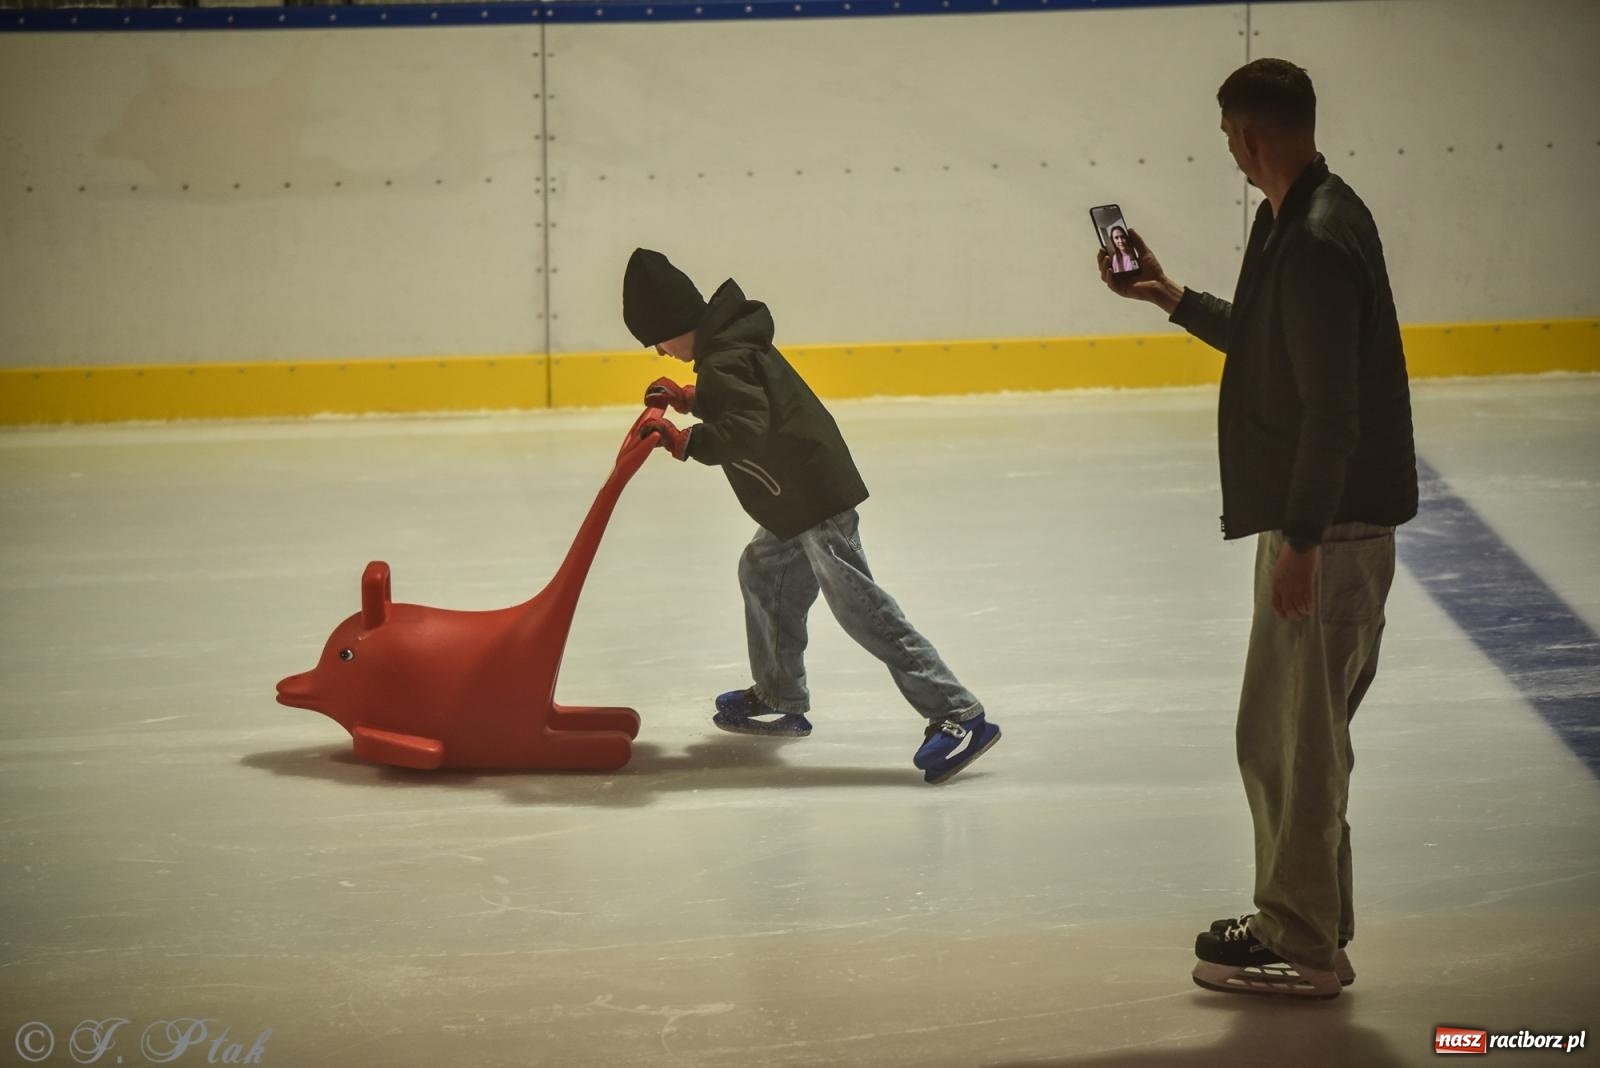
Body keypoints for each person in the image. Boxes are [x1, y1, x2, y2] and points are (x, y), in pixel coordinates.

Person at [1097, 59, 1418, 998]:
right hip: (1318, 522)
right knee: (1286, 736)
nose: (1230, 153)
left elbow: (1333, 409)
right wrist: (1170, 297)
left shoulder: (1316, 235)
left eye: (1231, 136)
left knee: (1298, 742)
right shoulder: (1302, 217)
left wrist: (1305, 543)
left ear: (1250, 133)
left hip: (1330, 529)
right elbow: (1274, 346)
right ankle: (1306, 918)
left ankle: (1305, 944)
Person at [622, 248, 1000, 784]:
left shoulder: (725, 356)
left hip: (812, 498)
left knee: (860, 606)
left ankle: (960, 714)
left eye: (657, 339)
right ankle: (780, 697)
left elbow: (746, 427)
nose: (660, 351)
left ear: (675, 324)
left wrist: (685, 442)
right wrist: (689, 397)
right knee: (762, 571)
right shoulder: (728, 346)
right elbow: (742, 399)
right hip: (793, 499)